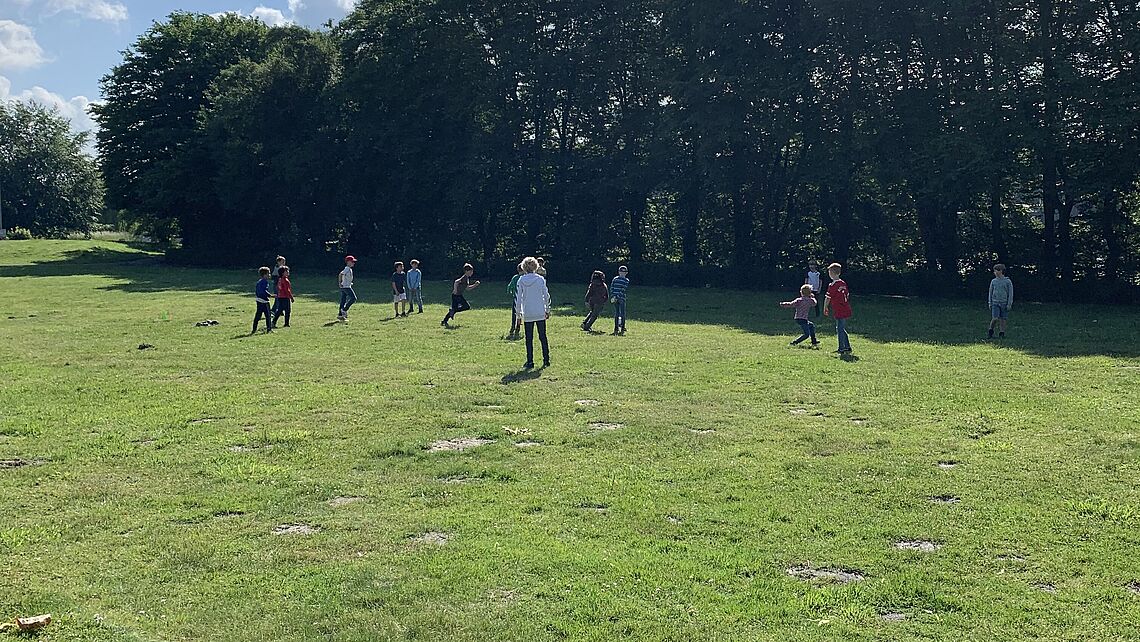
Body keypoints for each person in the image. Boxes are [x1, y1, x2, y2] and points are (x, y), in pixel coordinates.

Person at [516, 257, 551, 369]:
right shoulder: (540, 279)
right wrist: (547, 310)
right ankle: (546, 360)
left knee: (529, 338)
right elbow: (546, 296)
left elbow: (518, 299)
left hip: (528, 312)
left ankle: (530, 361)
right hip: (540, 311)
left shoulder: (521, 280)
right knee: (543, 336)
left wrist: (518, 315)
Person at [822, 262, 852, 354]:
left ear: (831, 273)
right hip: (845, 307)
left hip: (839, 309)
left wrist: (825, 307)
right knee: (841, 327)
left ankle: (841, 348)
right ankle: (847, 346)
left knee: (839, 328)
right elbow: (847, 294)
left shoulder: (832, 285)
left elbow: (828, 298)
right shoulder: (843, 283)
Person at [988, 263, 1014, 339]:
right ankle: (990, 330)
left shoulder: (1007, 281)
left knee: (1003, 319)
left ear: (1001, 271)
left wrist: (1009, 304)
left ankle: (1002, 333)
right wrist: (990, 302)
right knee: (995, 318)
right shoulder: (993, 281)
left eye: (996, 271)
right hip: (995, 302)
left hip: (1004, 303)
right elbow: (990, 292)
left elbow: (1010, 293)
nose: (995, 272)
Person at [252, 267, 274, 334]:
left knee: (258, 316)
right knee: (268, 316)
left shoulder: (259, 282)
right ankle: (269, 329)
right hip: (264, 301)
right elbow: (264, 291)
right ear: (264, 275)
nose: (269, 275)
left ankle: (254, 329)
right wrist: (270, 295)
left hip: (258, 300)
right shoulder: (265, 282)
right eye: (268, 273)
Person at [610, 265, 630, 335]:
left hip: (617, 298)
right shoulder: (625, 280)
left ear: (626, 273)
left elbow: (613, 288)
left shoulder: (616, 279)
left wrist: (614, 296)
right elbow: (622, 289)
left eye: (623, 272)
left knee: (618, 313)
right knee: (621, 313)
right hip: (620, 298)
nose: (622, 273)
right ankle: (621, 327)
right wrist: (615, 296)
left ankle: (618, 328)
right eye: (621, 271)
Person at [506, 262, 524, 338]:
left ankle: (513, 327)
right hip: (523, 298)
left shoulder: (515, 277)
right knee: (521, 313)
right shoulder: (524, 278)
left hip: (515, 298)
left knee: (514, 313)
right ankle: (518, 327)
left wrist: (510, 291)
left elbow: (509, 286)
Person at [337, 255, 357, 321]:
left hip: (345, 286)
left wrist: (349, 282)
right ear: (348, 262)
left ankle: (340, 315)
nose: (353, 263)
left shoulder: (349, 269)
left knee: (343, 300)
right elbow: (340, 274)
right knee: (353, 298)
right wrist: (340, 283)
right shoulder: (347, 269)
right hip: (346, 287)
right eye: (352, 262)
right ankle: (344, 310)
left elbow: (346, 277)